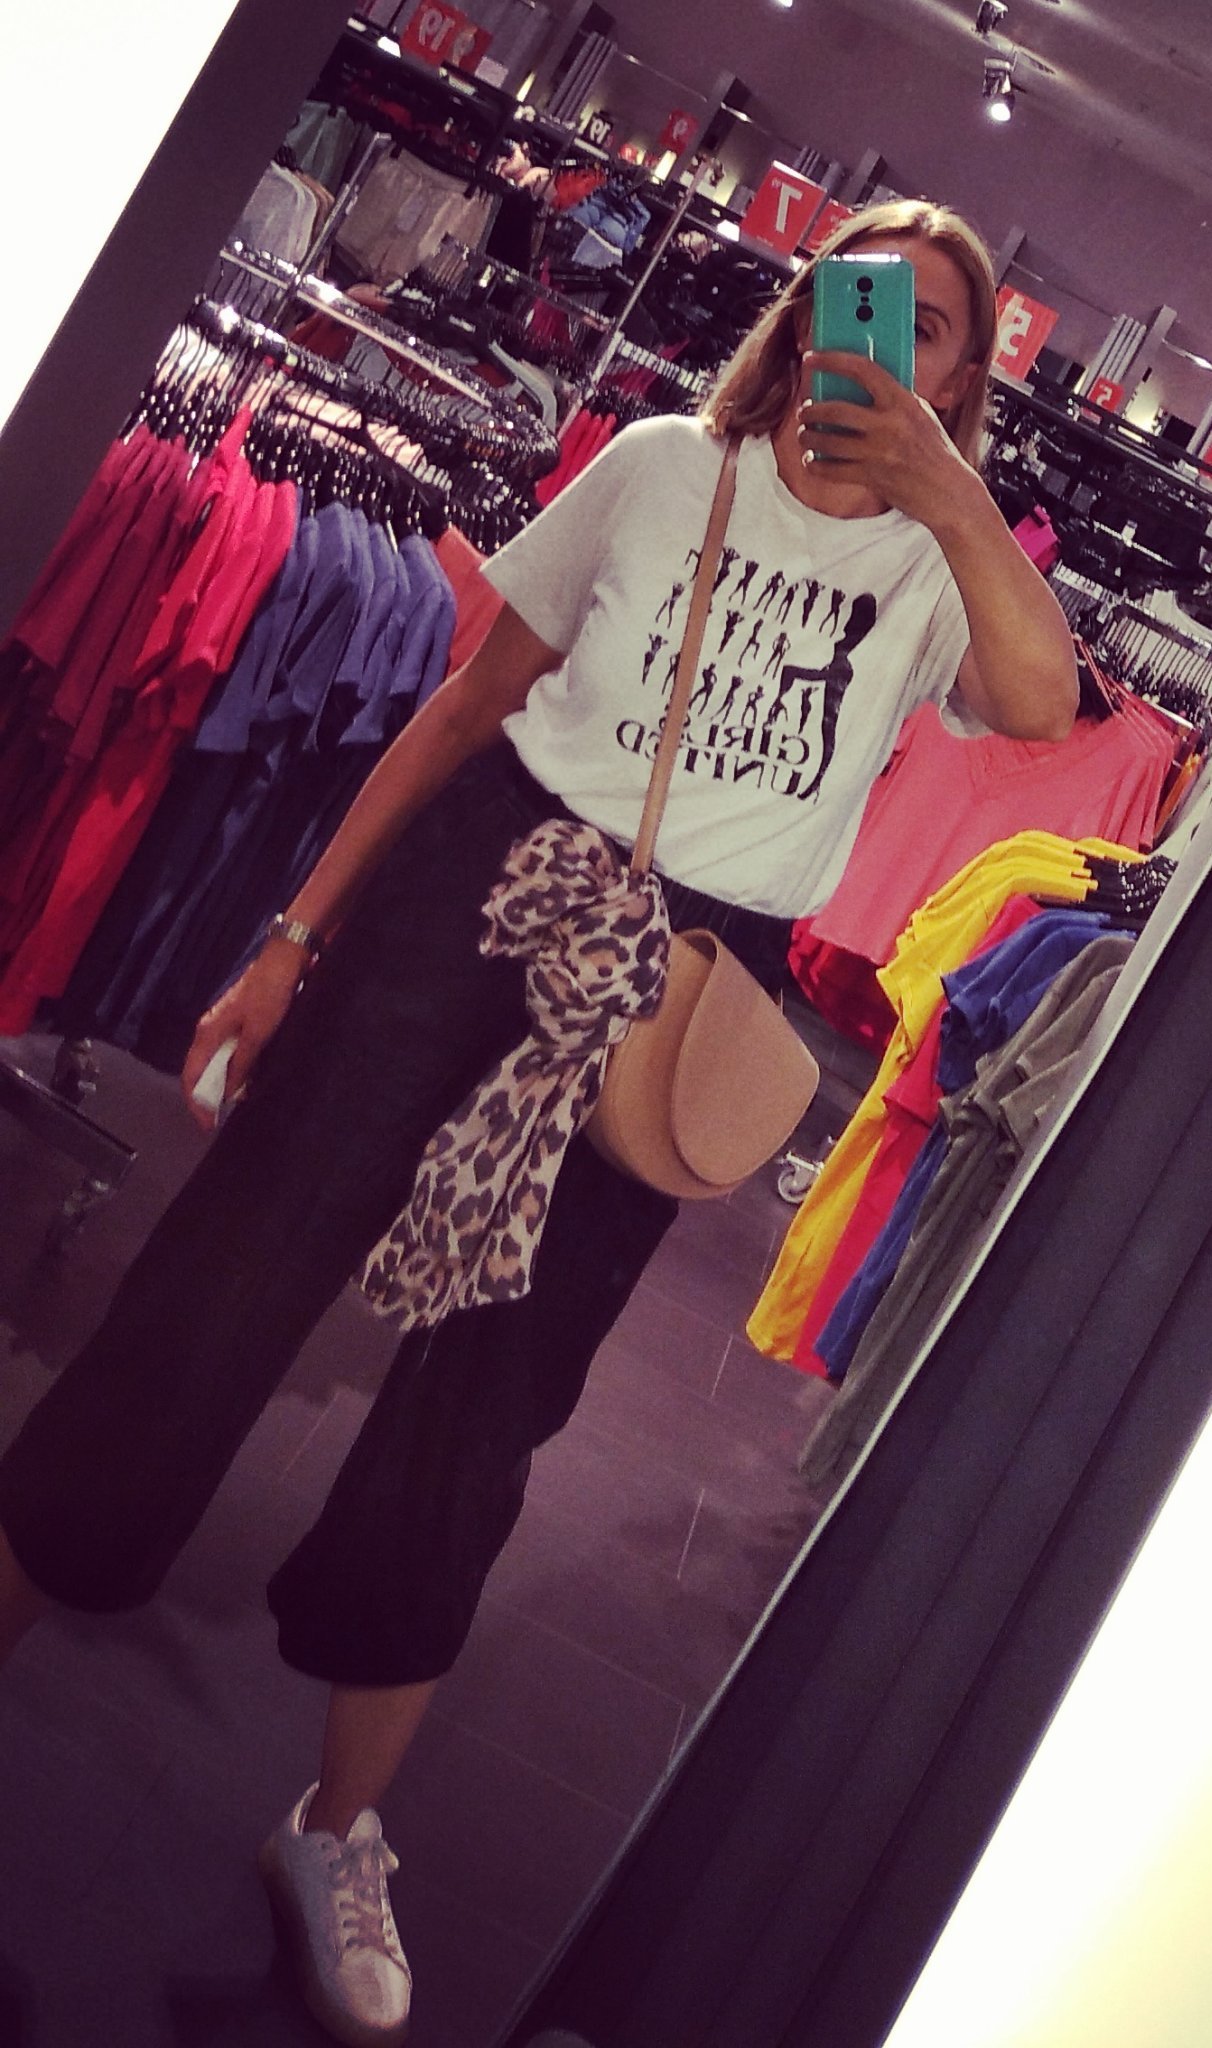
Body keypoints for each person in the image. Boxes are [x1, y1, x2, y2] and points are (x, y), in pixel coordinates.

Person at [0, 199, 1077, 2048]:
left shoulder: (932, 569)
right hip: (483, 886)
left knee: (491, 1401)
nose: (887, 335)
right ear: (803, 312)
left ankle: (334, 1829)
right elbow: (468, 702)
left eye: (934, 326)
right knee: (231, 1271)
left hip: (681, 982)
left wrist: (947, 487)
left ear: (970, 376)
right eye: (862, 297)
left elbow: (1045, 707)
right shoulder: (661, 465)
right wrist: (291, 934)